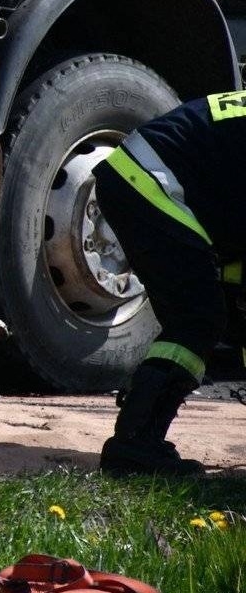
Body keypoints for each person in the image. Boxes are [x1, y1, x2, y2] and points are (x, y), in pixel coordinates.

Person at [93, 90, 246, 475]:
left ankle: (138, 433)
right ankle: (134, 445)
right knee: (196, 319)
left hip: (142, 175)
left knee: (207, 314)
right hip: (152, 182)